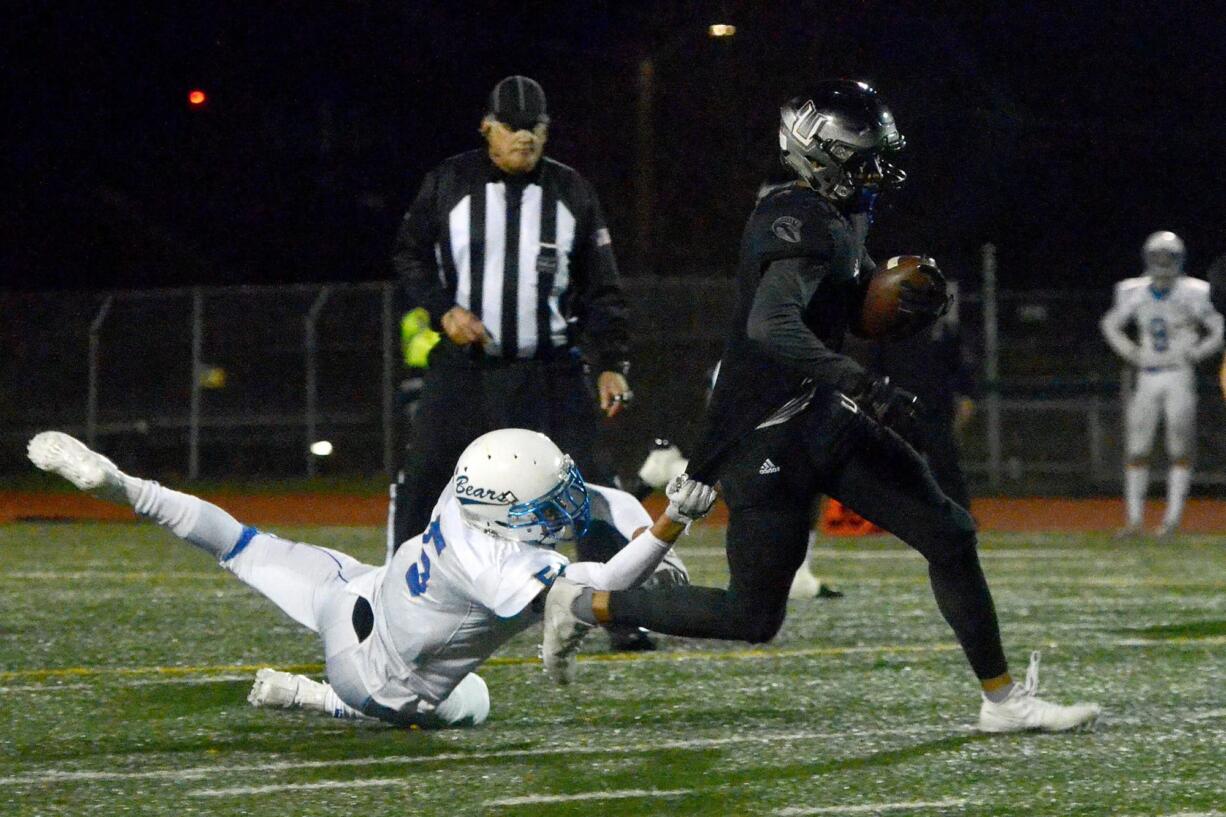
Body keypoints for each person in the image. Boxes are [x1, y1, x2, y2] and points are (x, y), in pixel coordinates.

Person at [541, 80, 1101, 732]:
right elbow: (772, 326)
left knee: (950, 533)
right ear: (821, 156)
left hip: (821, 416)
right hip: (764, 436)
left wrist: (889, 297)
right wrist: (862, 382)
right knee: (753, 617)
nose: (875, 171)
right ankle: (587, 605)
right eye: (862, 157)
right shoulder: (796, 218)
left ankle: (1003, 702)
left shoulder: (840, 213)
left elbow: (831, 310)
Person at [27, 429, 714, 728]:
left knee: (239, 541)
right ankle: (317, 698)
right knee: (473, 702)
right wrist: (668, 525)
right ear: (507, 511)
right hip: (372, 680)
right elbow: (608, 582)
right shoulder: (505, 565)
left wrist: (642, 528)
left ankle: (119, 483)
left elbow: (591, 496)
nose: (561, 509)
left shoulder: (465, 489)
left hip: (351, 590)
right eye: (544, 503)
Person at [390, 75, 632, 574]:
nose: (524, 137)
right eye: (512, 126)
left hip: (550, 369)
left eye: (534, 127)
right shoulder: (449, 182)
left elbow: (601, 287)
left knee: (591, 481)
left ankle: (615, 604)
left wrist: (611, 362)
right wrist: (443, 310)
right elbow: (409, 255)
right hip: (466, 369)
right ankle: (400, 596)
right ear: (487, 127)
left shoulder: (572, 191)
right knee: (426, 477)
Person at [1100, 231, 1223, 537]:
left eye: (1168, 257)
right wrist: (1131, 352)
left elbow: (1218, 327)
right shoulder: (1133, 291)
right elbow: (1110, 324)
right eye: (1158, 256)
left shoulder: (1194, 291)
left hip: (1178, 374)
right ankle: (1135, 521)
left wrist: (1196, 353)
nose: (1163, 262)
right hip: (1147, 376)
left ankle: (1171, 521)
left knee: (1179, 448)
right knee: (1137, 448)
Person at [856, 280, 977, 510]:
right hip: (898, 408)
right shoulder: (888, 331)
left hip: (935, 409)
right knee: (897, 465)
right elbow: (875, 369)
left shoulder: (942, 330)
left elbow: (961, 369)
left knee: (946, 465)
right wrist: (875, 400)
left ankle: (959, 514)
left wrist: (966, 396)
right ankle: (896, 515)